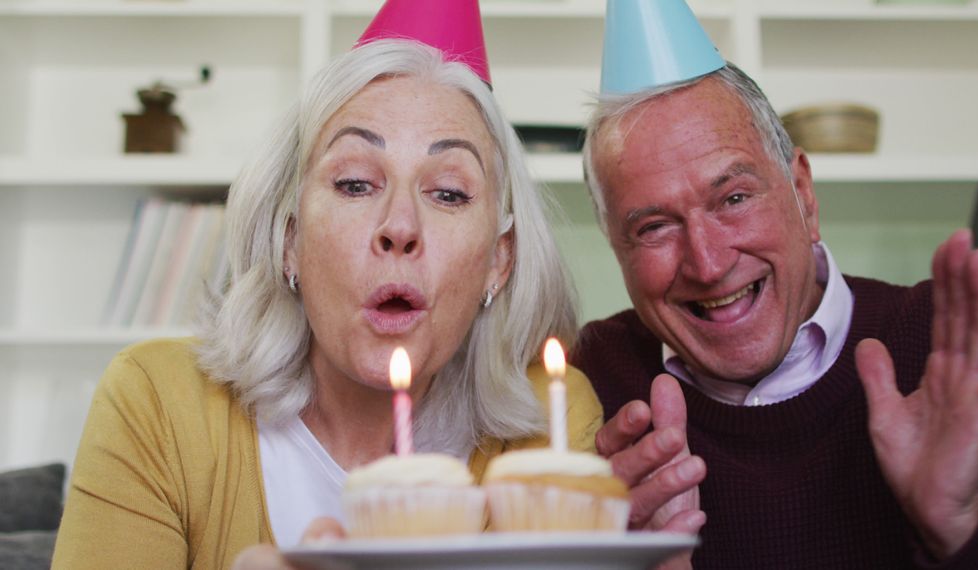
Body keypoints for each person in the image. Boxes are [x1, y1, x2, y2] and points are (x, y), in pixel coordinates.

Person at [50, 7, 605, 568]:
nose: (400, 227)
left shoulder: (549, 426)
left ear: (499, 260)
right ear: (290, 241)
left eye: (448, 194)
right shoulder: (157, 403)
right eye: (356, 183)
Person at [571, 0, 978, 567]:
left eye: (734, 198)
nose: (709, 265)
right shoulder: (586, 389)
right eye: (655, 226)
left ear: (804, 196)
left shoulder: (958, 358)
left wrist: (962, 530)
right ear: (615, 246)